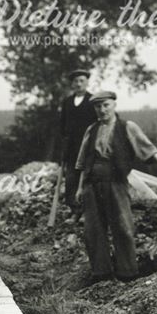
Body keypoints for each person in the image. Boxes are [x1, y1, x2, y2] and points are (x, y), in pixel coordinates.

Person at [75, 91, 157, 283]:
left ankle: (127, 273)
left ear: (114, 105)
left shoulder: (127, 127)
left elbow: (148, 147)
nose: (102, 110)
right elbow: (82, 161)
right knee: (93, 230)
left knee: (123, 227)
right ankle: (101, 274)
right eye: (98, 106)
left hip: (116, 181)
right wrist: (80, 188)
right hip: (92, 182)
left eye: (106, 105)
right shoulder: (91, 130)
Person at [58, 69, 96, 211]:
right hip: (71, 148)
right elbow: (62, 125)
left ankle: (87, 210)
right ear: (72, 84)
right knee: (71, 178)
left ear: (87, 83)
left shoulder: (92, 100)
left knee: (86, 177)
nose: (79, 84)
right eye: (76, 81)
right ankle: (73, 209)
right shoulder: (67, 102)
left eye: (82, 81)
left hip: (87, 146)